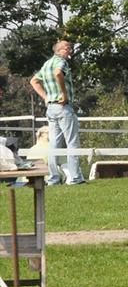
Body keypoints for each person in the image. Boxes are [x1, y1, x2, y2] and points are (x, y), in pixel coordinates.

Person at [29, 40, 86, 185]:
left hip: (51, 109)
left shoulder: (46, 64)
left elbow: (34, 81)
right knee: (72, 143)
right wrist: (64, 94)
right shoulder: (61, 62)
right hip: (63, 107)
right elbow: (58, 73)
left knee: (54, 144)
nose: (70, 51)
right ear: (60, 49)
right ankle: (75, 178)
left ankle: (53, 178)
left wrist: (46, 97)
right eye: (68, 48)